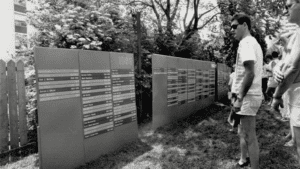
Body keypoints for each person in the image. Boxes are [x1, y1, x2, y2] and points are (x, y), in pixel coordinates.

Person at [230, 13, 263, 169]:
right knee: (242, 132)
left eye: (235, 26)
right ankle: (244, 159)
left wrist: (240, 98)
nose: (232, 30)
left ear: (245, 25)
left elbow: (250, 72)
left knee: (250, 136)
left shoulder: (247, 42)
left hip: (248, 96)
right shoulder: (251, 42)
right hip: (246, 95)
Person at [272, 0, 300, 165]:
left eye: (289, 5)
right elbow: (285, 62)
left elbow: (293, 67)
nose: (286, 9)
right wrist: (277, 69)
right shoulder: (297, 33)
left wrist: (276, 96)